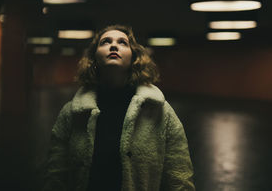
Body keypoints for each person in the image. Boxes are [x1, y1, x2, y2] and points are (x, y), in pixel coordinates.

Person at [42, 25, 195, 191]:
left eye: (123, 42)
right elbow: (56, 175)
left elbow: (179, 176)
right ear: (94, 58)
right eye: (105, 42)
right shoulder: (72, 113)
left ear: (134, 58)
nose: (113, 46)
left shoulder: (160, 111)